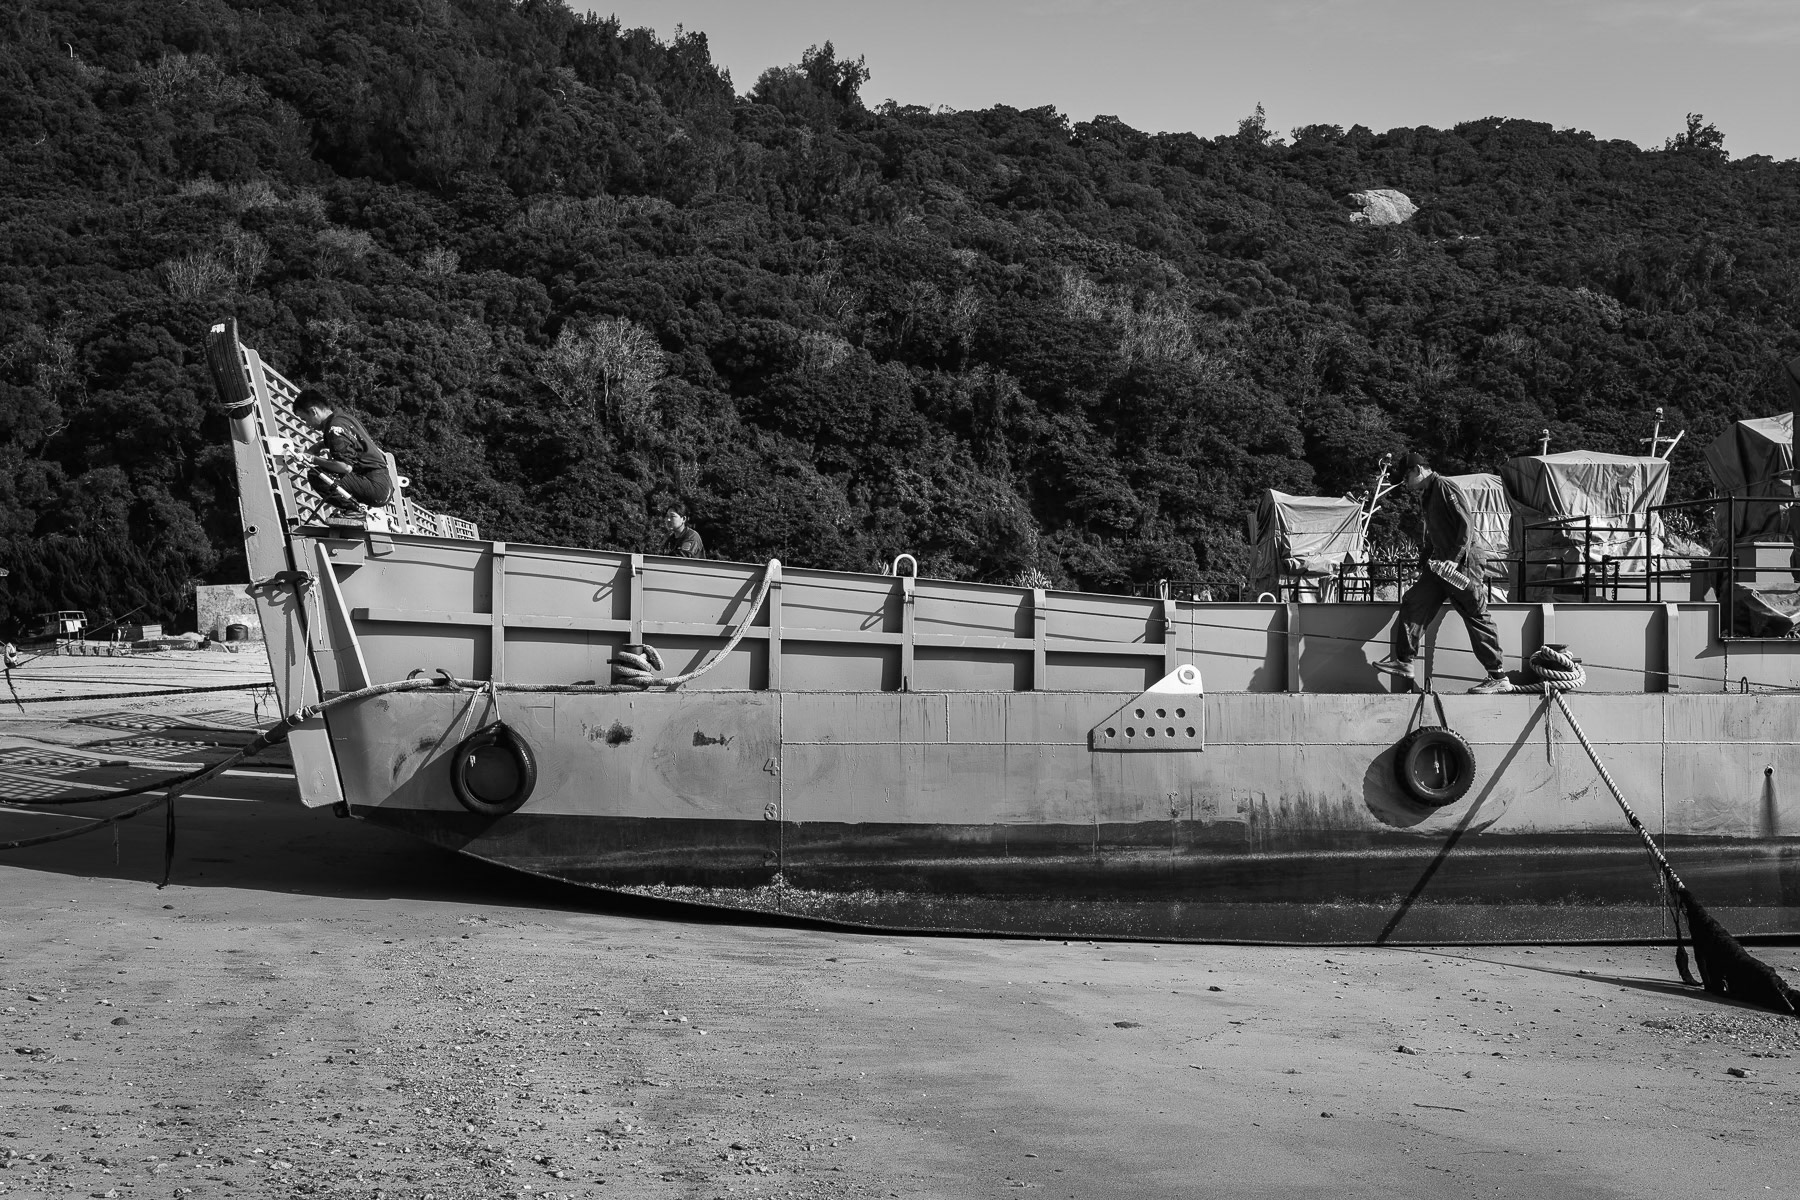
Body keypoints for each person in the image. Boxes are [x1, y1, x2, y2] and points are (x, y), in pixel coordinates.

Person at [1373, 451, 1509, 694]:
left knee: (1475, 613)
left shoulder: (1445, 486)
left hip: (1462, 562)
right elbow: (1431, 539)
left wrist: (1455, 560)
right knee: (1414, 601)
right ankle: (1405, 661)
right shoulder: (1427, 495)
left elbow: (1465, 524)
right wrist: (1419, 567)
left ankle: (1498, 676)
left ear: (1417, 470)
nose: (1405, 484)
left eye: (1405, 478)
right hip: (1440, 565)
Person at [293, 389, 393, 513]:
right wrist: (316, 448)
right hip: (382, 483)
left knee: (317, 475)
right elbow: (341, 443)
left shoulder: (335, 428)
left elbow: (345, 467)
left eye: (305, 419)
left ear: (314, 411)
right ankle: (355, 511)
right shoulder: (343, 419)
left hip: (375, 486)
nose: (307, 424)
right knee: (327, 469)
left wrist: (312, 459)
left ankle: (356, 512)